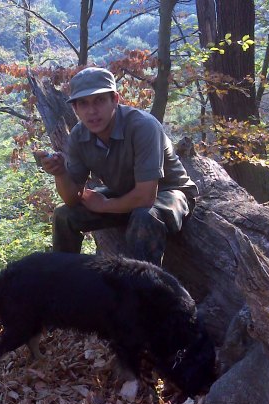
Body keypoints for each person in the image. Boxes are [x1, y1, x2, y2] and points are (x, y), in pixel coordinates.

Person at [36, 67, 198, 266]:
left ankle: (142, 290)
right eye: (83, 104)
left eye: (99, 101)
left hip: (168, 193)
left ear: (115, 99)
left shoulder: (143, 126)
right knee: (63, 215)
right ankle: (62, 282)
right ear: (75, 109)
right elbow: (72, 199)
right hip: (124, 194)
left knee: (144, 216)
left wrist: (104, 205)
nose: (92, 111)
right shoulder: (79, 136)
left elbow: (146, 197)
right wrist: (60, 173)